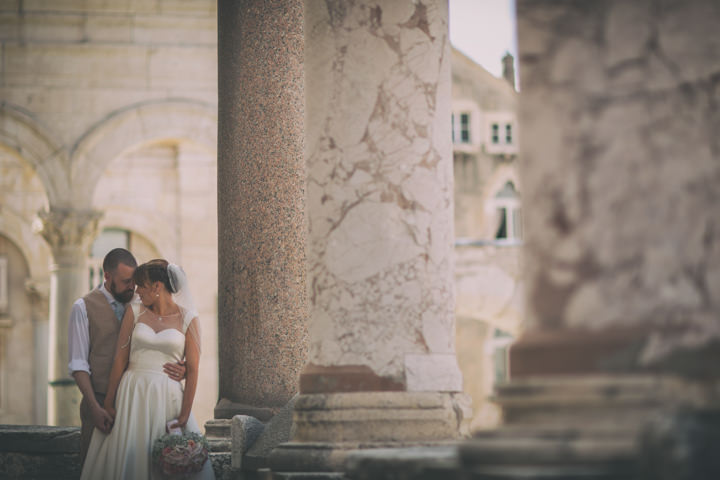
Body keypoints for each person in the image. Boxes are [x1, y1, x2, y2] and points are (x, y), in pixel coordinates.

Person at [80, 259, 214, 480]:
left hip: (167, 397)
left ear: (157, 286)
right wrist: (109, 401)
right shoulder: (135, 311)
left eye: (141, 285)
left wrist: (183, 415)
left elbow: (193, 369)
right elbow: (120, 358)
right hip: (132, 392)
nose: (137, 291)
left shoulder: (188, 319)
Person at [69, 248, 186, 465]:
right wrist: (95, 407)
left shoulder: (143, 302)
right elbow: (78, 365)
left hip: (139, 404)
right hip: (101, 405)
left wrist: (184, 367)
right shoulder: (83, 307)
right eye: (125, 281)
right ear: (107, 276)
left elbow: (169, 338)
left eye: (134, 281)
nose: (132, 287)